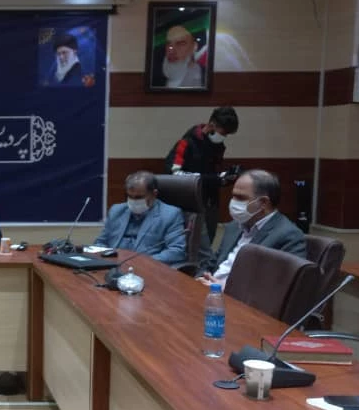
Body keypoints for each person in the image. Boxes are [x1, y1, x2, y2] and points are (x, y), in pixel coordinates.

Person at [198, 169, 306, 285]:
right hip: (208, 290)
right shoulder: (234, 226)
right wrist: (199, 279)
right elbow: (211, 263)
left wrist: (221, 289)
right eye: (233, 196)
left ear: (263, 202)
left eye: (240, 198)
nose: (233, 202)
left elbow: (282, 287)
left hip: (233, 295)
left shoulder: (289, 236)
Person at [165, 105, 240, 240]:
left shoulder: (218, 147)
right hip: (188, 203)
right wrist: (212, 179)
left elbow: (213, 174)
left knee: (208, 241)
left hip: (210, 202)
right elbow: (174, 175)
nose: (224, 137)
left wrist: (225, 178)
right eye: (223, 133)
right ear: (212, 125)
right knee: (188, 242)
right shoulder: (186, 143)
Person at [94, 171, 187, 267]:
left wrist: (142, 262)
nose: (133, 201)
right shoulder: (116, 210)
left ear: (154, 194)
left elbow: (176, 251)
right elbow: (101, 242)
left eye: (139, 197)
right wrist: (102, 257)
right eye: (130, 196)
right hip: (112, 264)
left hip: (145, 267)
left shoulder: (170, 214)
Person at [154, 24, 205, 89]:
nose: (171, 51)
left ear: (194, 47)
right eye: (169, 44)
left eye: (180, 44)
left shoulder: (204, 78)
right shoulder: (155, 79)